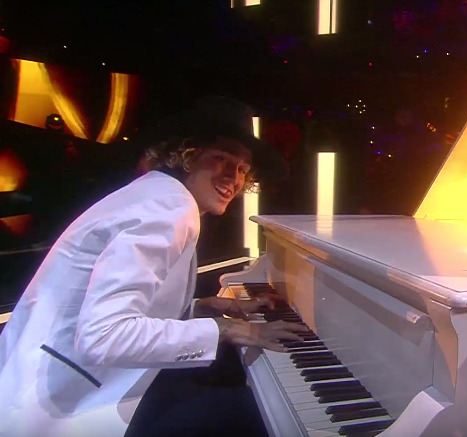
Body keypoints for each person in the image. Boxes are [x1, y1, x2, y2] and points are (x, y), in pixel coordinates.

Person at [0, 96, 309, 437]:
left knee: (224, 384)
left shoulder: (157, 194)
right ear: (187, 154)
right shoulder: (168, 209)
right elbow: (103, 336)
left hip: (69, 376)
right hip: (63, 403)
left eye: (242, 169)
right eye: (222, 158)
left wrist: (202, 308)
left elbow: (118, 303)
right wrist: (232, 329)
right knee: (255, 416)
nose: (233, 179)